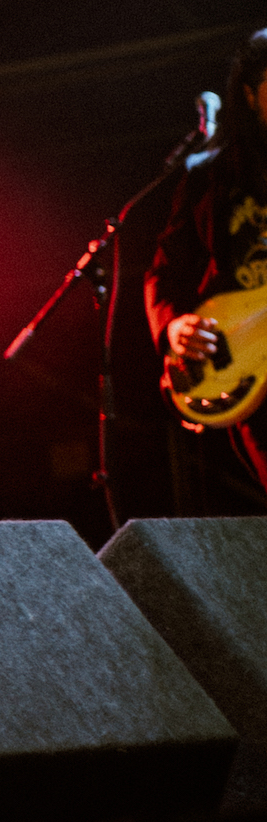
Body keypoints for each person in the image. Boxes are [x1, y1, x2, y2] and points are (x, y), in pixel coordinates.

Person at [146, 26, 267, 485]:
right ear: (250, 96)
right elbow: (167, 269)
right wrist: (175, 325)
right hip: (251, 366)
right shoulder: (211, 177)